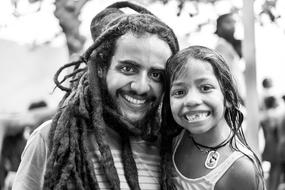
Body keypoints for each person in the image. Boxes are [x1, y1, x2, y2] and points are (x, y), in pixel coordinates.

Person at [12, 1, 179, 190]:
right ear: (101, 67)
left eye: (156, 75)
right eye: (128, 68)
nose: (141, 87)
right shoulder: (50, 141)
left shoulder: (171, 147)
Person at [159, 46, 265, 190]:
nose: (192, 100)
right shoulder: (174, 139)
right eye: (179, 91)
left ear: (228, 97)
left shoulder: (240, 169)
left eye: (205, 88)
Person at [214, 13, 246, 103]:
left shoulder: (228, 45)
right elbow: (226, 74)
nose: (232, 26)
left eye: (233, 22)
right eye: (228, 22)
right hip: (235, 96)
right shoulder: (221, 46)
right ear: (219, 26)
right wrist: (238, 96)